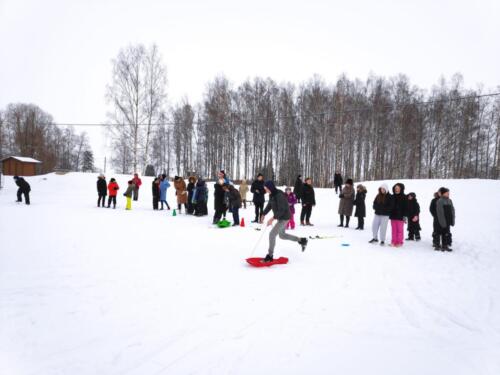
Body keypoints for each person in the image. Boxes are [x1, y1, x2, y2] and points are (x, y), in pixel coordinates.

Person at [259, 180, 308, 262]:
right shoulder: (271, 195)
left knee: (272, 234)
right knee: (282, 235)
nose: (265, 190)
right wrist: (263, 213)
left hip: (284, 217)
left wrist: (272, 218)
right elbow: (270, 204)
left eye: (266, 188)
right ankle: (302, 240)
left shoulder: (279, 195)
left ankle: (270, 256)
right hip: (280, 217)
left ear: (270, 187)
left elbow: (282, 210)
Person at [435, 187, 455, 251]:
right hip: (441, 221)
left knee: (446, 233)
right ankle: (437, 245)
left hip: (448, 221)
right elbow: (440, 213)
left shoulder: (449, 200)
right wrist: (443, 222)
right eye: (447, 193)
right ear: (443, 193)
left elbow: (452, 210)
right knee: (440, 232)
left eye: (448, 193)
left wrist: (452, 220)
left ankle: (445, 245)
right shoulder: (440, 201)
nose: (448, 194)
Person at [389, 183, 408, 247]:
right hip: (393, 216)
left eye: (398, 188)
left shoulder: (404, 197)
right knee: (393, 230)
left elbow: (406, 207)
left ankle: (400, 242)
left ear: (401, 189)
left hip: (400, 216)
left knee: (400, 230)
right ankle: (393, 241)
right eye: (395, 188)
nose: (396, 189)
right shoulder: (392, 196)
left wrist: (405, 216)